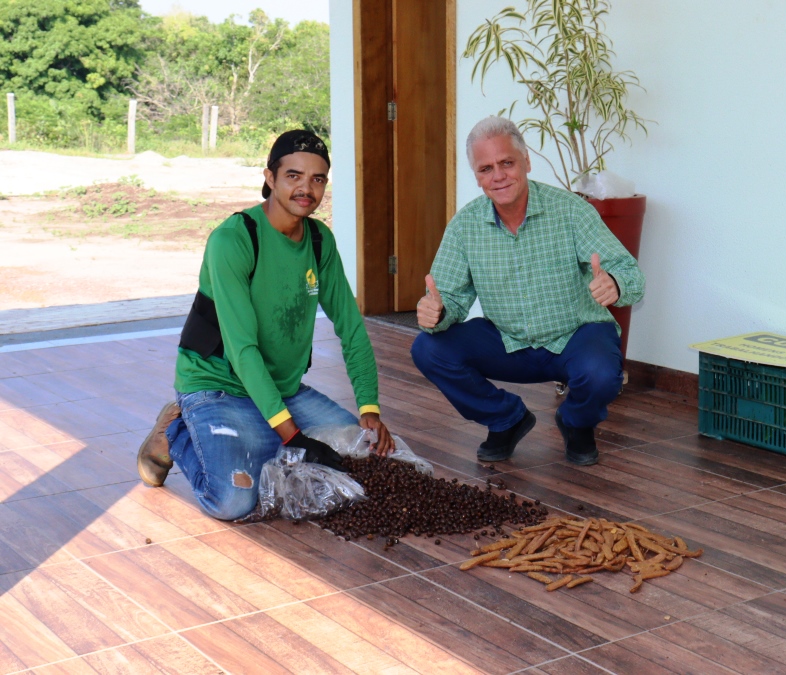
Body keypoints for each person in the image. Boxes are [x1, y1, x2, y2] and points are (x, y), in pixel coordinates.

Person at [138, 129, 394, 520]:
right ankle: (176, 434)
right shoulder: (234, 240)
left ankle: (264, 440)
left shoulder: (320, 241)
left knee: (365, 455)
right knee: (234, 500)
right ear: (270, 177)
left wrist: (369, 408)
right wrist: (293, 436)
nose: (306, 188)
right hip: (220, 387)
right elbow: (241, 349)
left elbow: (351, 328)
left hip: (283, 390)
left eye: (318, 179)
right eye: (293, 175)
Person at [411, 116, 644, 466]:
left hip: (575, 336)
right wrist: (436, 312)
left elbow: (631, 274)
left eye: (507, 163)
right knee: (428, 348)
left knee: (600, 374)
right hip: (508, 341)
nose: (499, 176)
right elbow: (450, 300)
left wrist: (615, 282)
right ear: (476, 176)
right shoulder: (464, 226)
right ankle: (507, 419)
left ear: (526, 162)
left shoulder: (570, 210)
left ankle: (576, 423)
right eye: (486, 168)